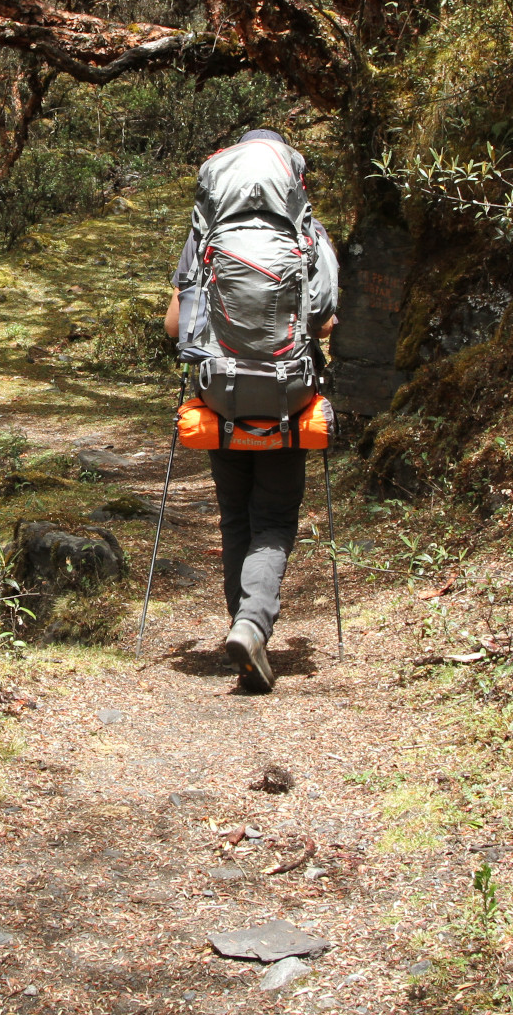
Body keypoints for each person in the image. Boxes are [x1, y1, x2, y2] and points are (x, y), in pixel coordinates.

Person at [163, 129, 339, 692]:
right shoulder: (307, 233)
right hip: (289, 398)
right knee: (274, 519)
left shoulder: (206, 234)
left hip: (221, 396)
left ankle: (243, 627)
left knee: (236, 517)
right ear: (290, 176)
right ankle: (252, 625)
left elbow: (176, 328)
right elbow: (326, 318)